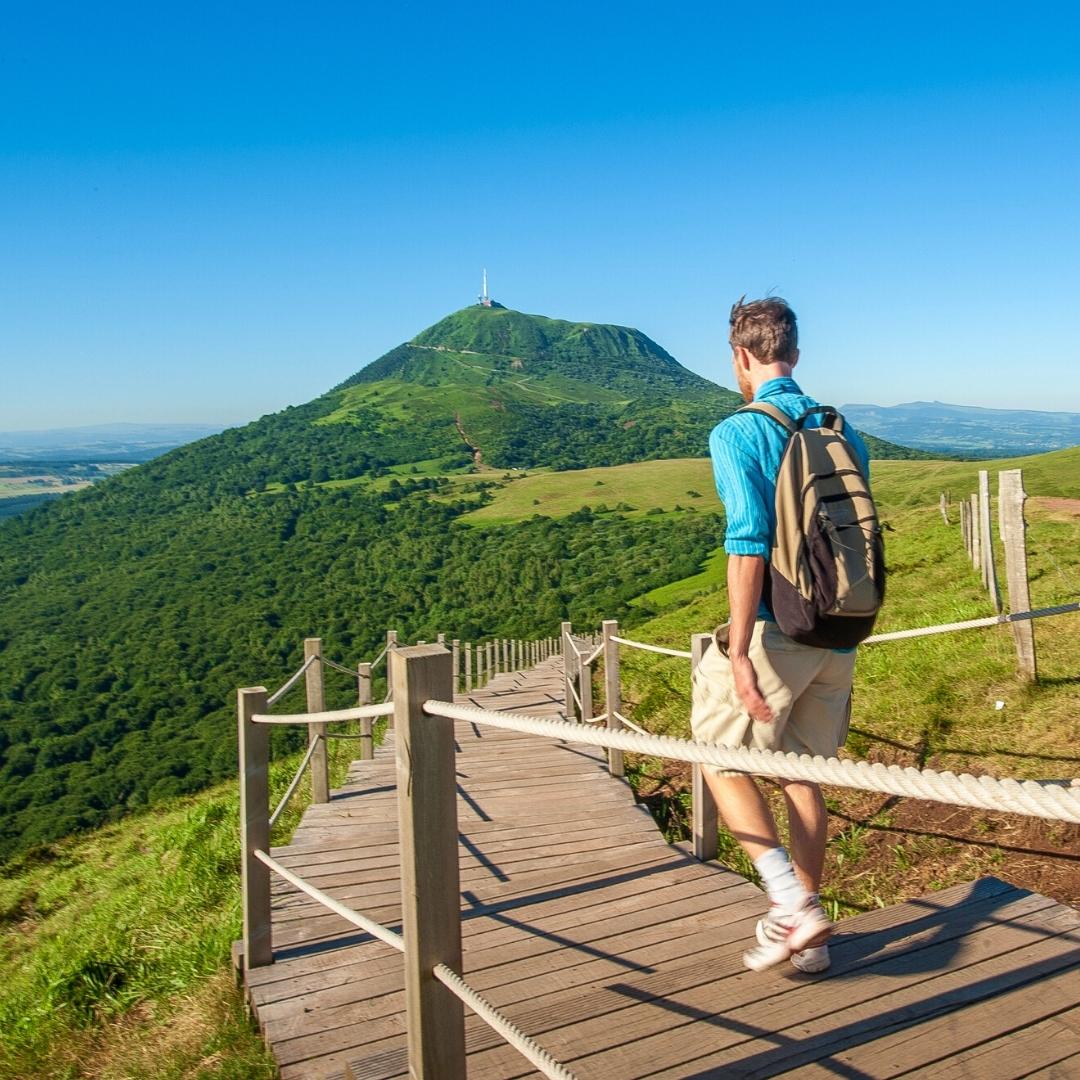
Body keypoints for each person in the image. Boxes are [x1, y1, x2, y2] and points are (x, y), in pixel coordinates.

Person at [692, 296, 871, 973]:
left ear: (741, 356)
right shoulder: (840, 427)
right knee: (800, 775)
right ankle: (812, 939)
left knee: (718, 759)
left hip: (777, 631)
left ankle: (791, 905)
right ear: (794, 353)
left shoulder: (738, 431)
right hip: (841, 630)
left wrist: (736, 651)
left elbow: (748, 545)